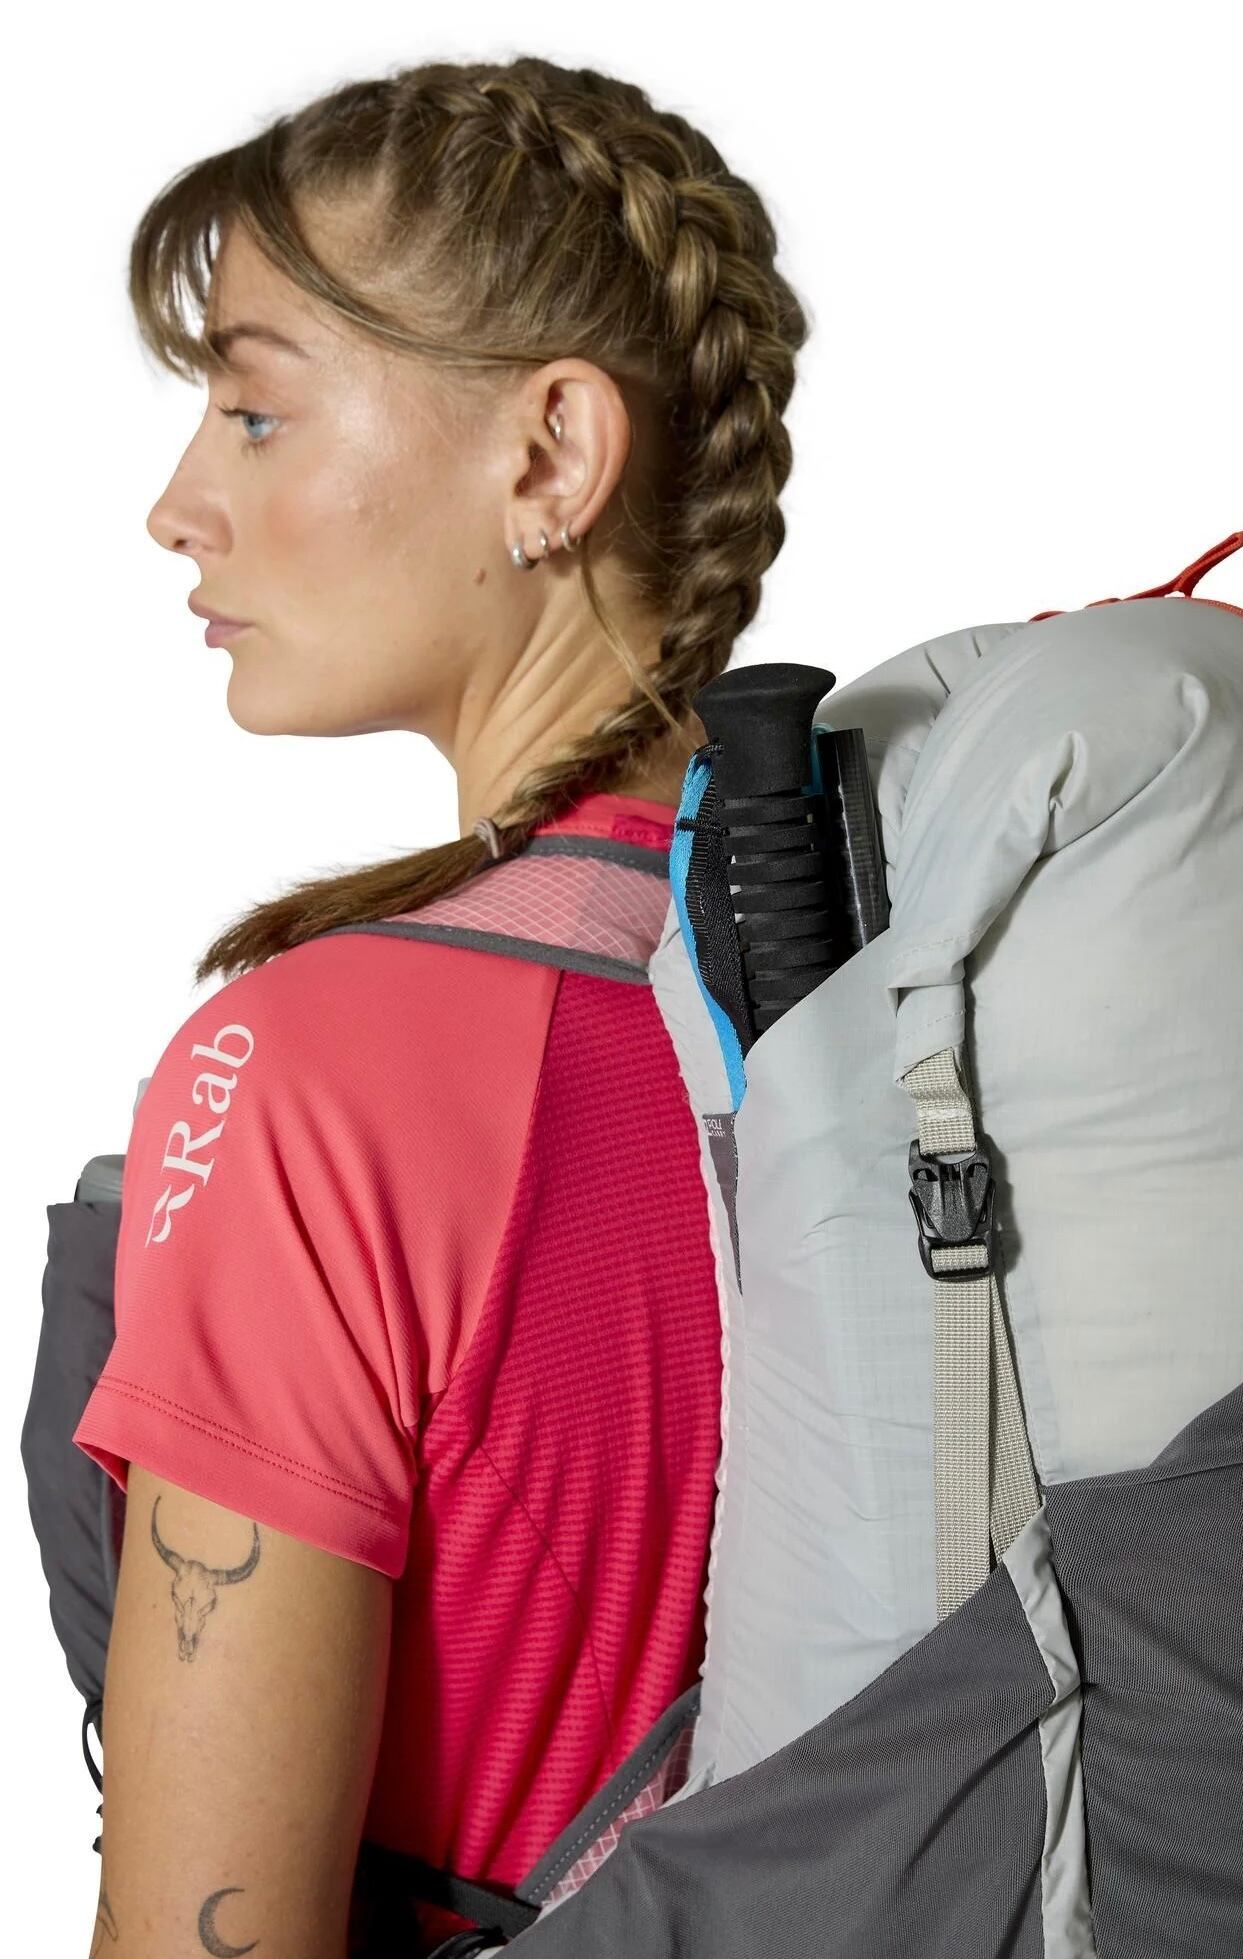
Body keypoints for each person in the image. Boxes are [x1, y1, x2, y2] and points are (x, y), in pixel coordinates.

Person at [69, 50, 810, 1959]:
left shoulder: (306, 1075)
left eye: (254, 411)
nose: (177, 506)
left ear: (550, 455)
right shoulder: (852, 983)